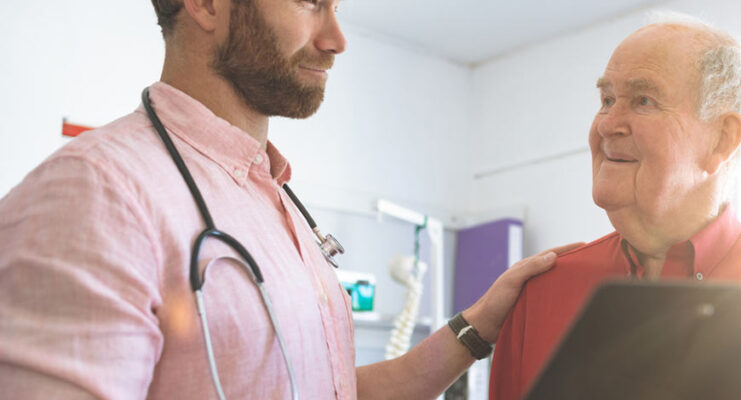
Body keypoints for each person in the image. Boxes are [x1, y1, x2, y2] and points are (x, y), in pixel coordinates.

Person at [0, 0, 582, 398]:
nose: (336, 39)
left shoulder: (272, 200)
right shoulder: (93, 194)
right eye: (309, 2)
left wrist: (478, 326)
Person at [489, 12, 741, 400]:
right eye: (607, 99)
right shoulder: (537, 296)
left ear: (722, 138)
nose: (607, 124)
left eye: (643, 100)